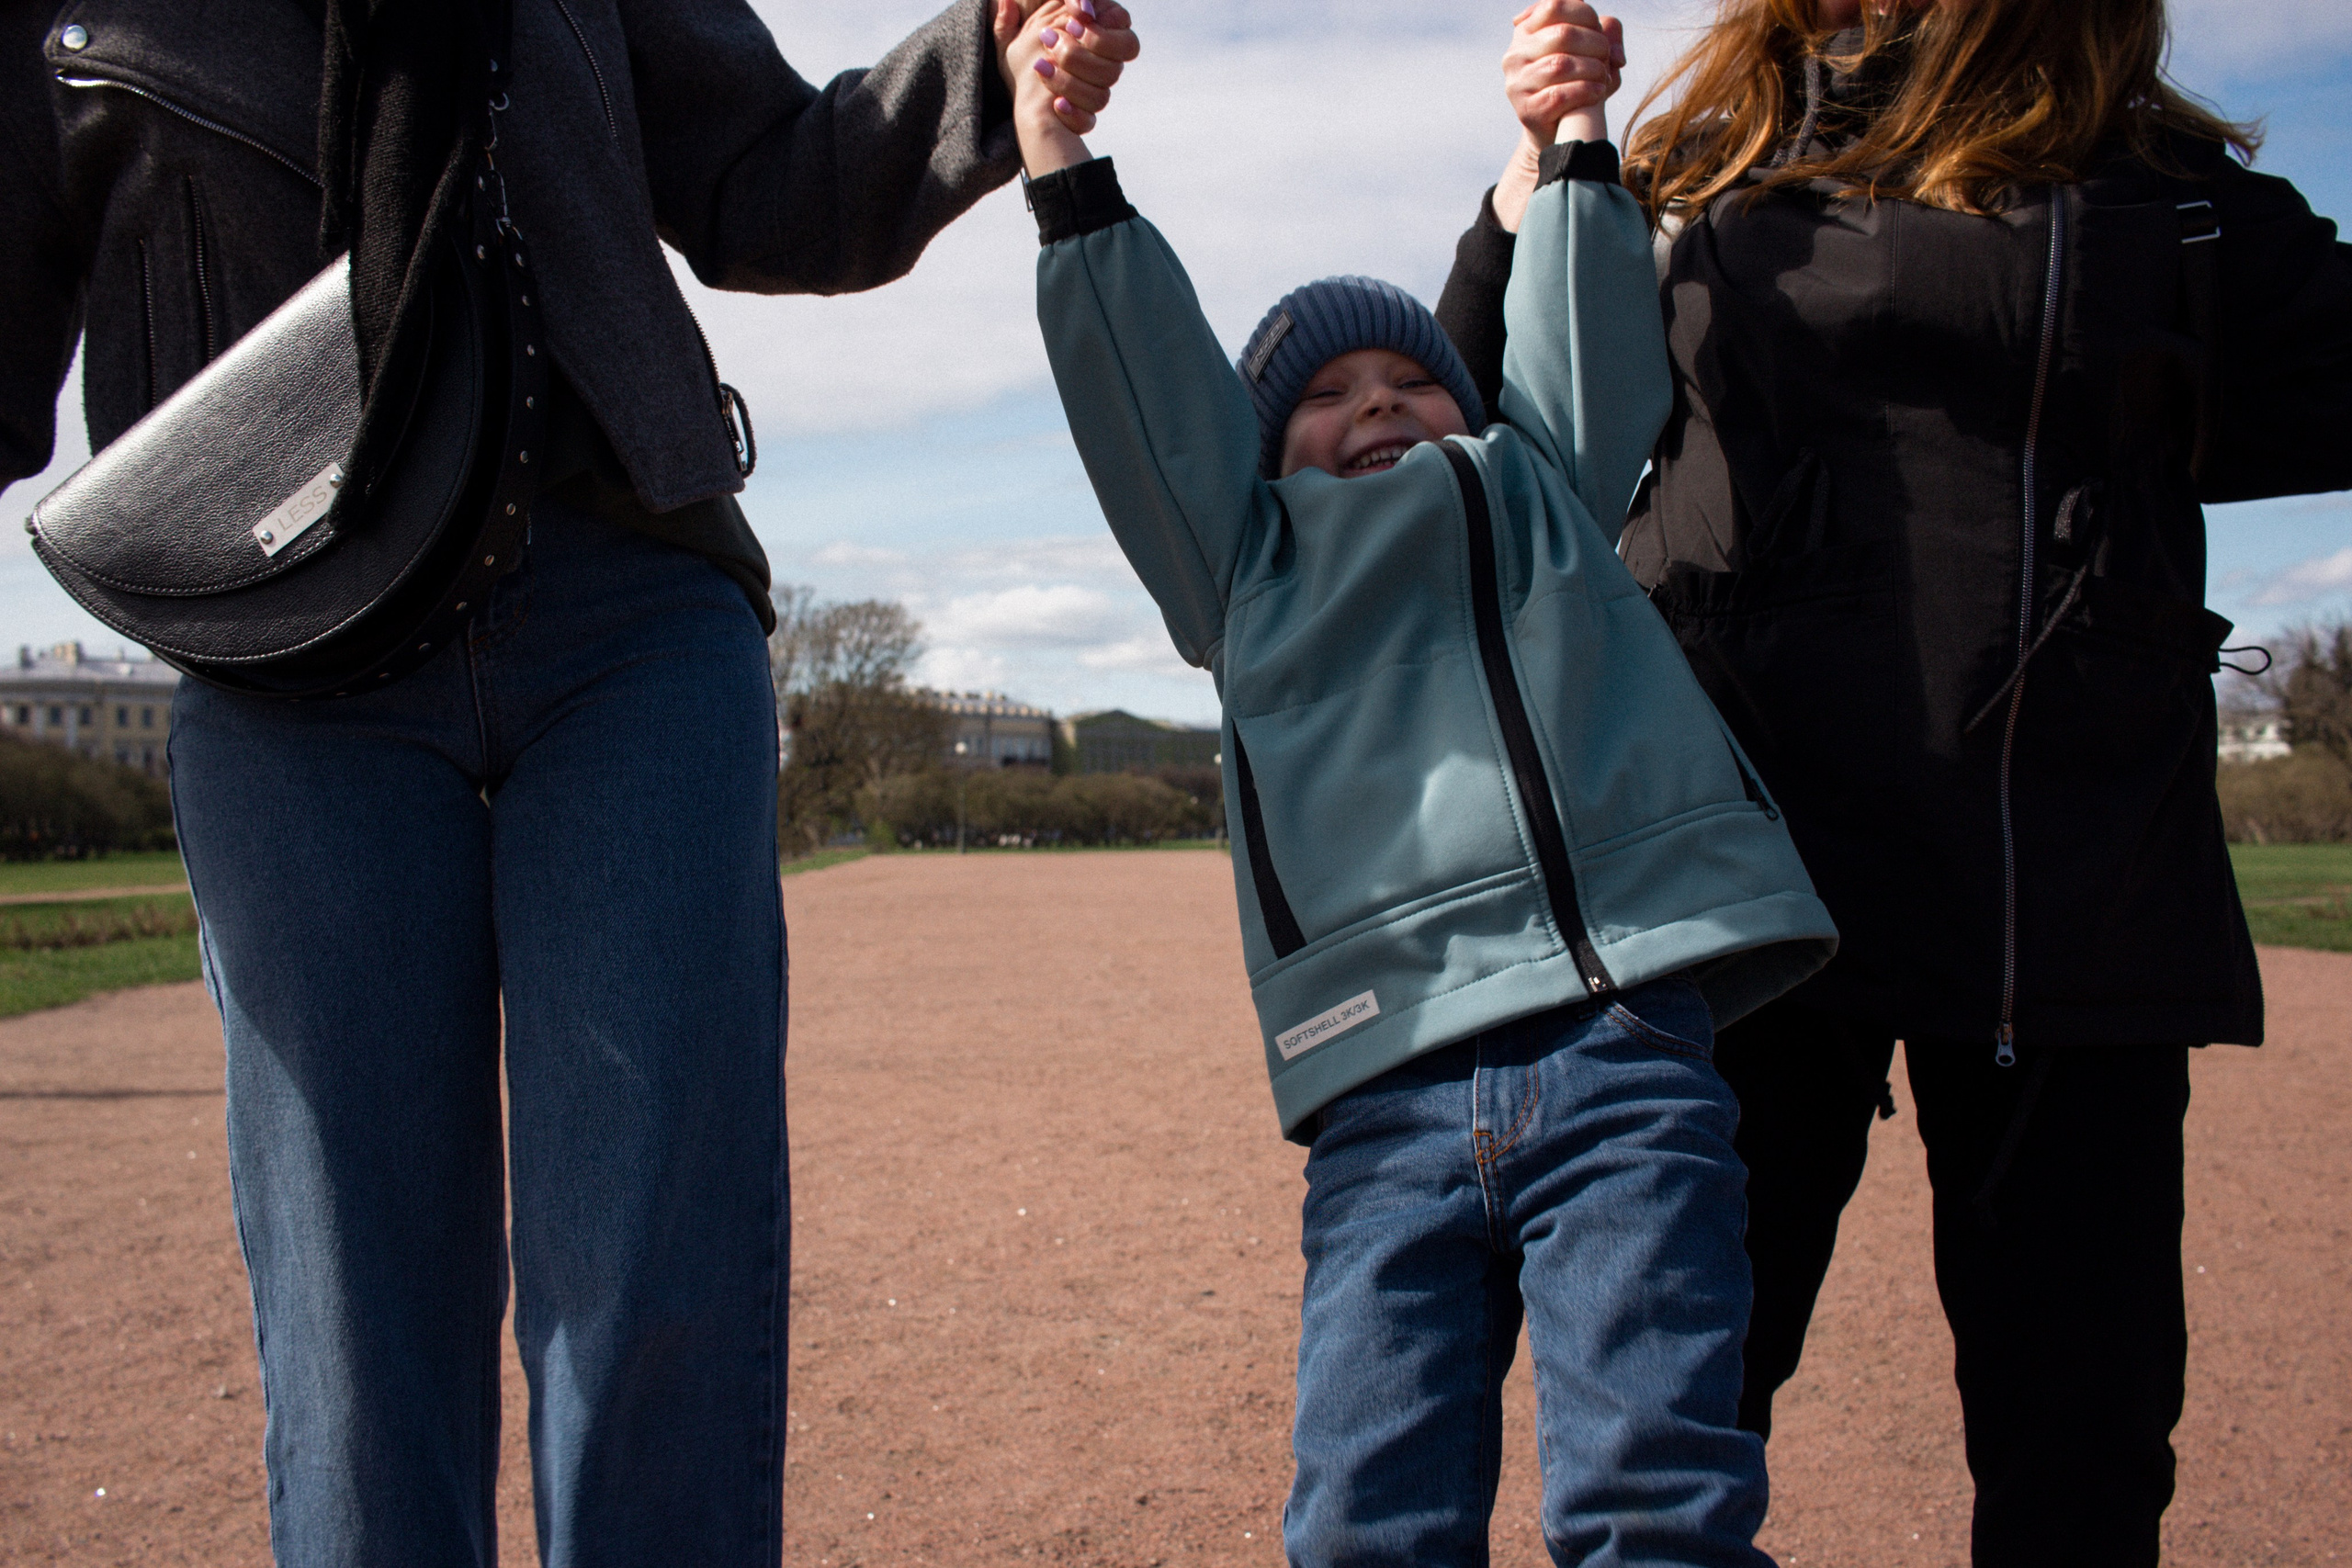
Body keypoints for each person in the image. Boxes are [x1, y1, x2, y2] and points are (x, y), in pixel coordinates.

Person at [0, 1, 1134, 1562]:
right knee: (353, 1303)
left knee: (658, 1266)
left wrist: (983, 65)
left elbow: (767, 177)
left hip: (628, 615)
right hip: (286, 648)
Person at [1434, 2, 2352, 1563]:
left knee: (2082, 1445)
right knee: (1676, 1414)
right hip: (1739, 880)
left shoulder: (2157, 182)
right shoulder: (1692, 161)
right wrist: (1534, 177)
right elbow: (1481, 427)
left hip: (2066, 891)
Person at [1007, 7, 1839, 1562]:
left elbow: (1587, 334)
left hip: (1619, 1039)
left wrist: (1579, 137)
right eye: (1326, 394)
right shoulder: (1240, 570)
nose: (1379, 400)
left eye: (1413, 375)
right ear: (1258, 455)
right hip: (1385, 1078)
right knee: (1364, 1518)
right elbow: (1142, 386)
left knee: (1653, 1495)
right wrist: (1058, 155)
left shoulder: (1540, 492)